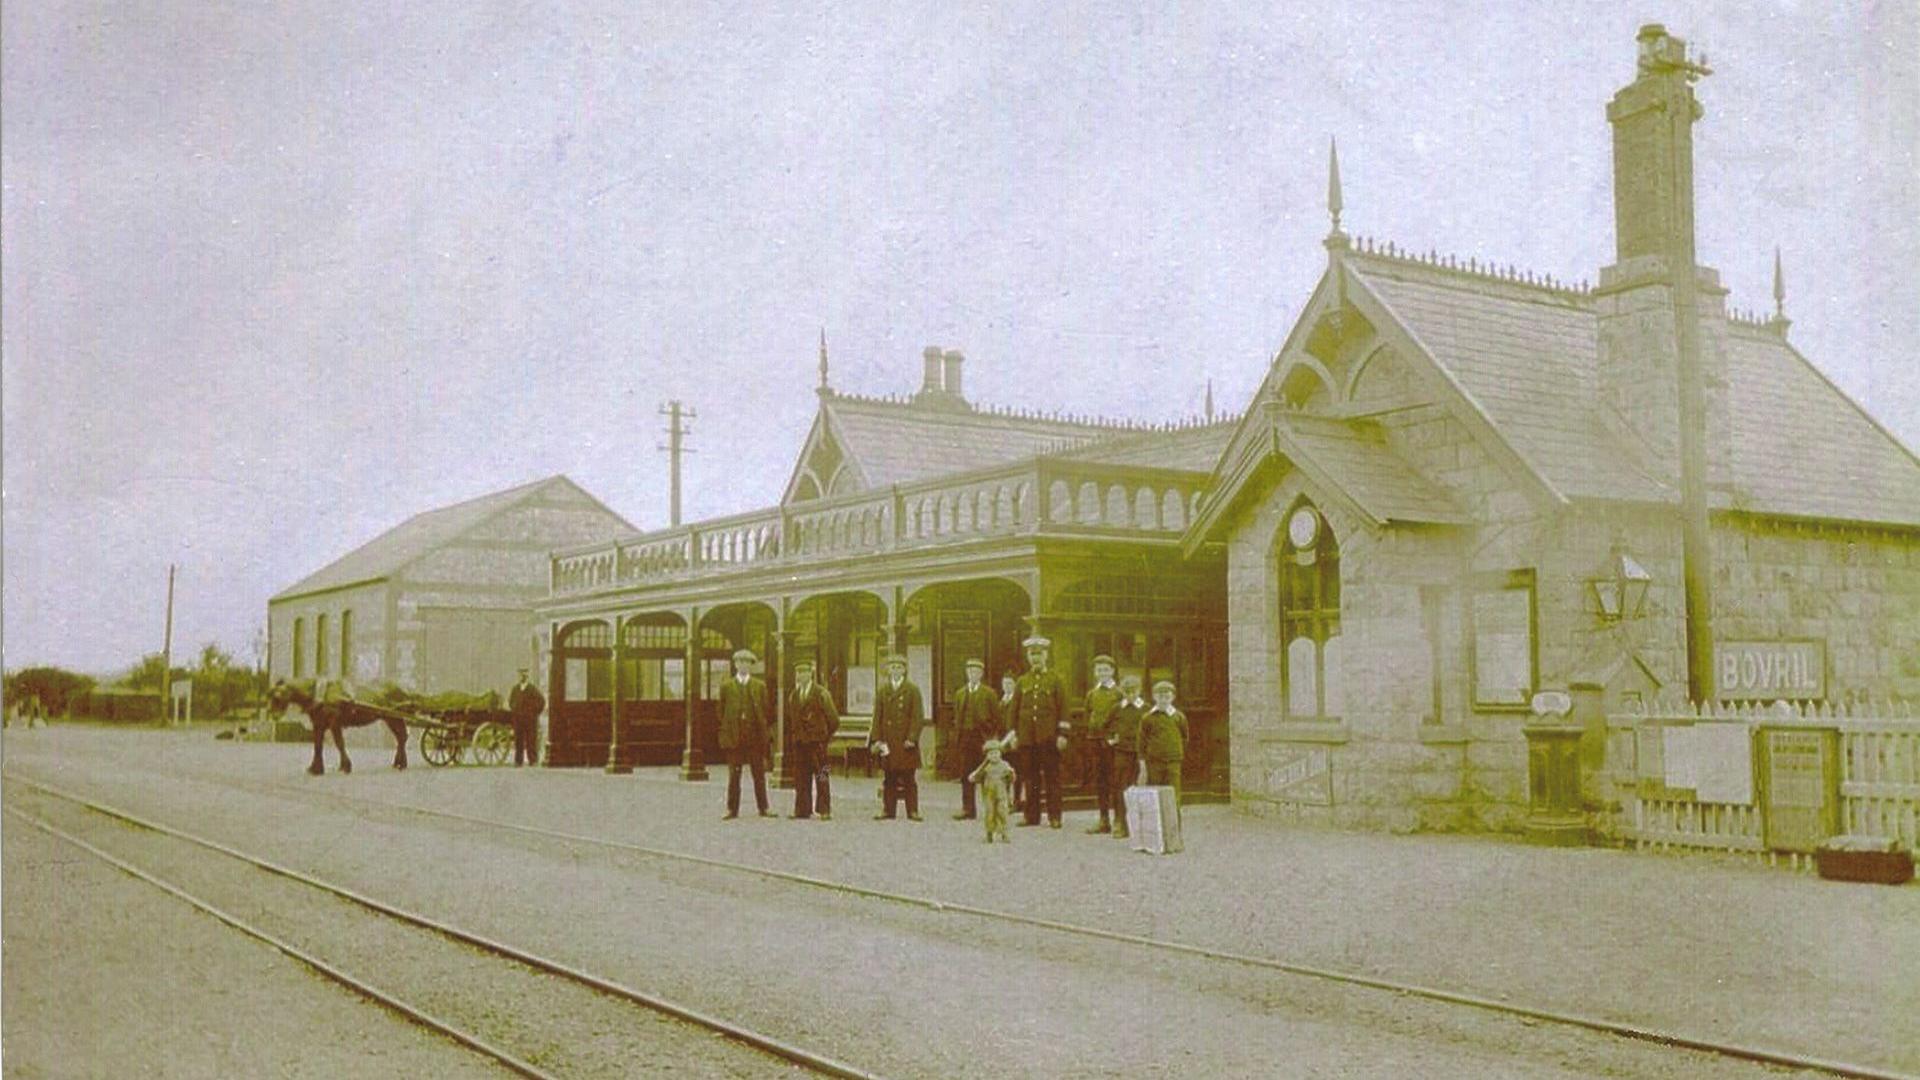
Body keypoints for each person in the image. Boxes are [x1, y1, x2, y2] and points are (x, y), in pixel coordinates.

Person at [1010, 636, 1069, 828]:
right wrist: (1014, 734)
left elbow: (1064, 709)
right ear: (1028, 657)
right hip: (1027, 738)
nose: (1036, 658)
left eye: (1039, 654)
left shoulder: (1056, 680)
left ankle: (1055, 816)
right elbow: (1014, 710)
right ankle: (1031, 816)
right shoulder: (1022, 681)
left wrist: (1062, 734)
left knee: (1052, 778)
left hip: (1049, 738)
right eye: (1032, 654)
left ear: (1046, 656)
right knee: (1030, 778)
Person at [718, 648, 773, 819]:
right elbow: (720, 712)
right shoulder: (726, 687)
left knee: (759, 774)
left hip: (754, 738)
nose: (743, 666)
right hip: (735, 738)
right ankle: (731, 809)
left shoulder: (759, 686)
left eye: (747, 663)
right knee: (734, 776)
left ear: (751, 666)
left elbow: (766, 711)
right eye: (740, 662)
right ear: (735, 665)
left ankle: (763, 808)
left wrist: (762, 731)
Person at [870, 653, 925, 820]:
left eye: (899, 667)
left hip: (906, 741)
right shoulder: (883, 691)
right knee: (889, 777)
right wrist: (877, 739)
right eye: (893, 667)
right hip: (888, 741)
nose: (896, 670)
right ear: (888, 670)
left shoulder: (912, 690)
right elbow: (877, 717)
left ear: (905, 670)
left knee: (909, 777)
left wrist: (912, 738)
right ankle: (888, 810)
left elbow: (918, 716)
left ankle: (912, 810)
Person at [787, 659, 839, 820]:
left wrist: (824, 738)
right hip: (800, 744)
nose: (801, 675)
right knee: (801, 777)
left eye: (804, 672)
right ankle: (802, 809)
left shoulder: (821, 693)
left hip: (818, 743)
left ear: (811, 673)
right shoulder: (794, 695)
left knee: (822, 775)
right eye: (798, 672)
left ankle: (824, 809)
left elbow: (834, 720)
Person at [950, 658, 1000, 820]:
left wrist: (992, 740)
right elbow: (957, 717)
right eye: (970, 671)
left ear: (981, 674)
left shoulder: (989, 694)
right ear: (966, 673)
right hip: (965, 738)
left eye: (976, 672)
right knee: (966, 775)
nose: (973, 675)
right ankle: (968, 809)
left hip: (982, 740)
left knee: (988, 774)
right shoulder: (960, 694)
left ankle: (991, 808)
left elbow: (996, 719)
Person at [1082, 654, 1123, 834]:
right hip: (1095, 742)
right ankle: (1103, 819)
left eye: (1106, 670)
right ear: (1094, 673)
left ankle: (1119, 821)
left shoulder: (1119, 693)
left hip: (1113, 744)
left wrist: (1115, 737)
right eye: (1099, 670)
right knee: (1100, 782)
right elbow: (1088, 715)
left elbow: (1124, 718)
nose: (1102, 673)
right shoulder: (1092, 693)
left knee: (1116, 781)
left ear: (1112, 671)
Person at [1140, 679, 1189, 822]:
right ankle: (1156, 834)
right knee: (1155, 795)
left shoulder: (1178, 717)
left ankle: (1174, 833)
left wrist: (1175, 754)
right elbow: (1142, 741)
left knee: (1174, 796)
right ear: (1154, 697)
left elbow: (1184, 738)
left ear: (1172, 697)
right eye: (1160, 696)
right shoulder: (1147, 718)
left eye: (1167, 696)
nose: (1163, 700)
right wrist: (1144, 761)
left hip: (1173, 762)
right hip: (1154, 763)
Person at [1106, 674, 1147, 840]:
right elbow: (1107, 727)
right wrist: (1111, 739)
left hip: (1140, 754)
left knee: (1139, 787)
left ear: (1140, 690)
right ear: (1122, 692)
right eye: (1127, 692)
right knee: (1120, 787)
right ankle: (1120, 822)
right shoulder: (1117, 709)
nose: (1130, 695)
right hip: (1121, 752)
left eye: (1134, 691)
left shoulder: (1146, 708)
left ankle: (1139, 825)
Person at [968, 739, 1017, 843]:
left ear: (1000, 753)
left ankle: (1004, 833)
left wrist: (1011, 774)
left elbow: (1011, 779)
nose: (994, 756)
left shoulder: (1004, 765)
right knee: (989, 814)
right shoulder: (985, 768)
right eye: (991, 753)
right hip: (989, 795)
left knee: (1002, 813)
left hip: (1001, 795)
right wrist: (973, 777)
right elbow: (977, 778)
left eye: (996, 753)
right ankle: (989, 833)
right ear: (987, 756)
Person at [507, 668, 545, 767]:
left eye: (524, 675)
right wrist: (514, 709)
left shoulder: (532, 689)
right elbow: (511, 701)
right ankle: (518, 761)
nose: (522, 677)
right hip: (518, 719)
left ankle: (533, 760)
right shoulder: (515, 689)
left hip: (530, 720)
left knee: (531, 740)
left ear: (526, 677)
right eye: (520, 675)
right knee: (518, 740)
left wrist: (534, 712)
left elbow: (541, 701)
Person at [999, 672, 1024, 808]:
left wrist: (1015, 738)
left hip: (1014, 740)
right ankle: (1006, 799)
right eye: (1004, 684)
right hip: (1003, 741)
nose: (1007, 687)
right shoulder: (1002, 701)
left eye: (1009, 684)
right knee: (1004, 771)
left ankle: (1017, 800)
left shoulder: (1017, 701)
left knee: (1016, 772)